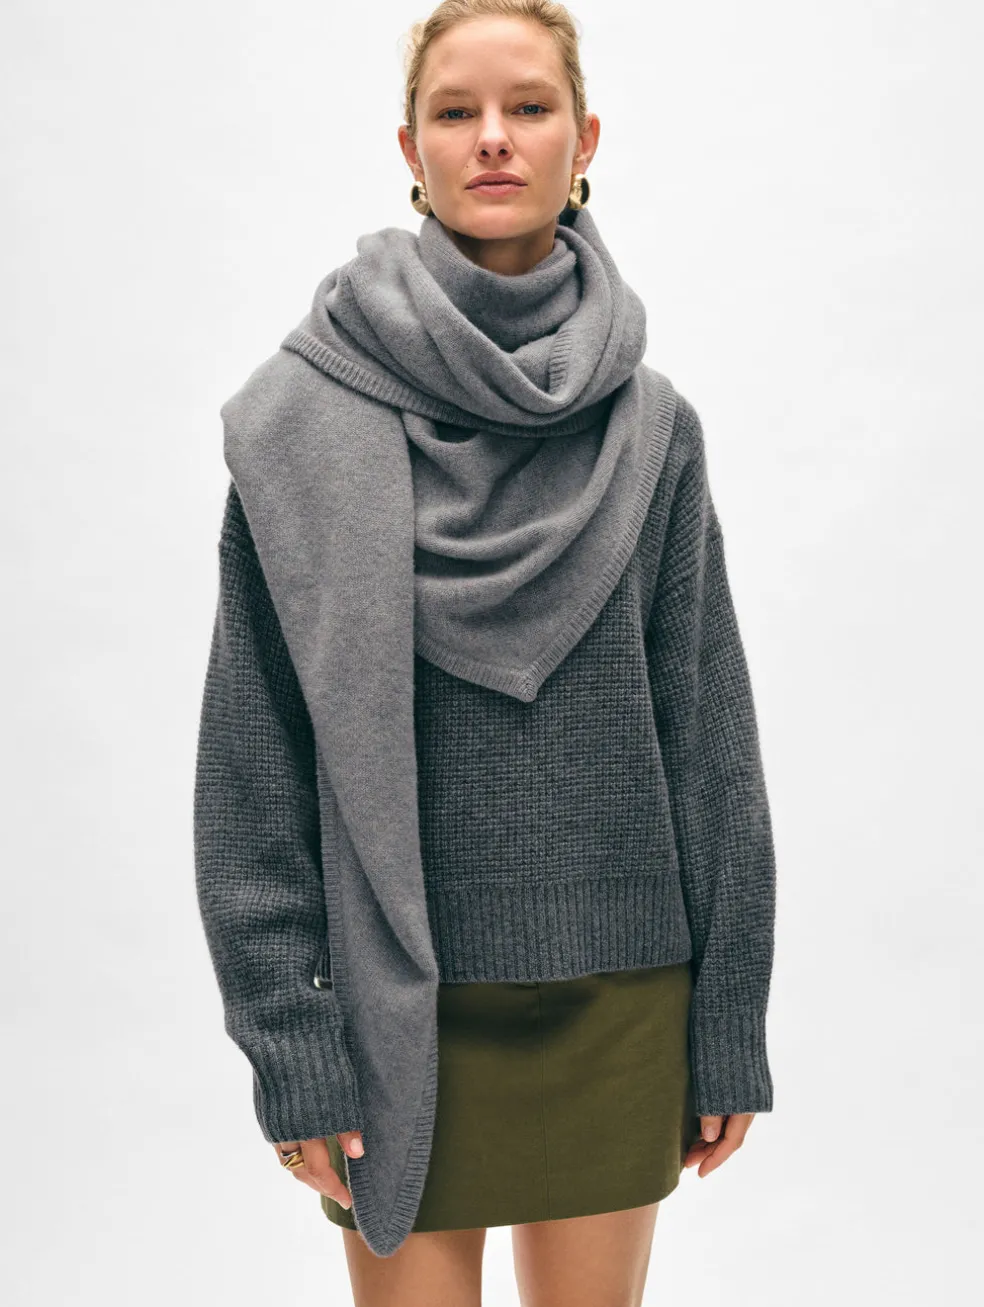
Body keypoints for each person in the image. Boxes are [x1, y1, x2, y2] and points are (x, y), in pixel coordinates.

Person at [193, 2, 778, 1303]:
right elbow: (251, 765)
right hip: (392, 1012)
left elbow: (711, 742)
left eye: (529, 106)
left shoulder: (652, 430)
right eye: (457, 112)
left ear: (586, 139)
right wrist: (291, 1043)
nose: (494, 137)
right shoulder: (297, 424)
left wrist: (730, 1018)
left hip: (621, 996)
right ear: (412, 147)